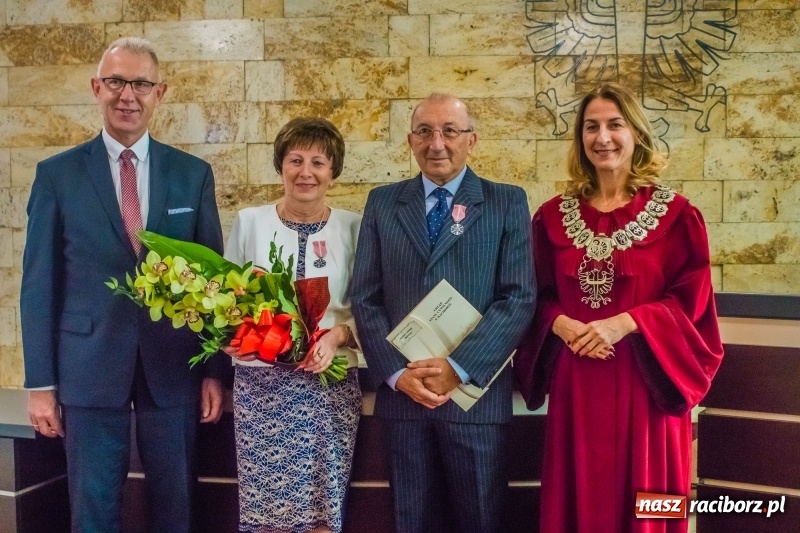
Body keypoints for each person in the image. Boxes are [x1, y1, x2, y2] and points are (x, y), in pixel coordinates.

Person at [20, 37, 226, 532]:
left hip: (174, 367)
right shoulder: (57, 176)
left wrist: (215, 370)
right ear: (97, 88)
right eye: (115, 82)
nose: (127, 95)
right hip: (87, 367)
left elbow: (216, 282)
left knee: (176, 504)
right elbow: (38, 285)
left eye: (140, 83)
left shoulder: (193, 175)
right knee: (92, 506)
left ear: (161, 92)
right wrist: (40, 385)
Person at [514, 82, 724, 533]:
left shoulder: (679, 216)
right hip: (577, 383)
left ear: (637, 135)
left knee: (649, 504)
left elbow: (693, 303)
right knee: (577, 497)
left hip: (647, 383)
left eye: (615, 125)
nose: (602, 137)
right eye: (591, 127)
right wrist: (562, 324)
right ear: (580, 139)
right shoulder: (550, 217)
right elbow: (533, 295)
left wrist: (624, 323)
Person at [351, 93, 535, 533]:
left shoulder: (506, 201)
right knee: (411, 523)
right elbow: (365, 298)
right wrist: (398, 374)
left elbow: (519, 297)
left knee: (480, 522)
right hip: (405, 402)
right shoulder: (382, 203)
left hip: (474, 403)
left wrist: (458, 367)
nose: (437, 143)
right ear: (410, 142)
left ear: (471, 140)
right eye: (425, 132)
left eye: (450, 131)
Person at [223, 117, 362, 533]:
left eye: (318, 162)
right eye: (295, 160)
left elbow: (370, 307)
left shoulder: (354, 227)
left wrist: (338, 337)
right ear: (280, 166)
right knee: (267, 512)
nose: (306, 172)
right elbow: (226, 301)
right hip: (262, 388)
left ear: (333, 173)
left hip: (329, 386)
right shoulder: (250, 222)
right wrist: (231, 337)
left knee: (323, 505)